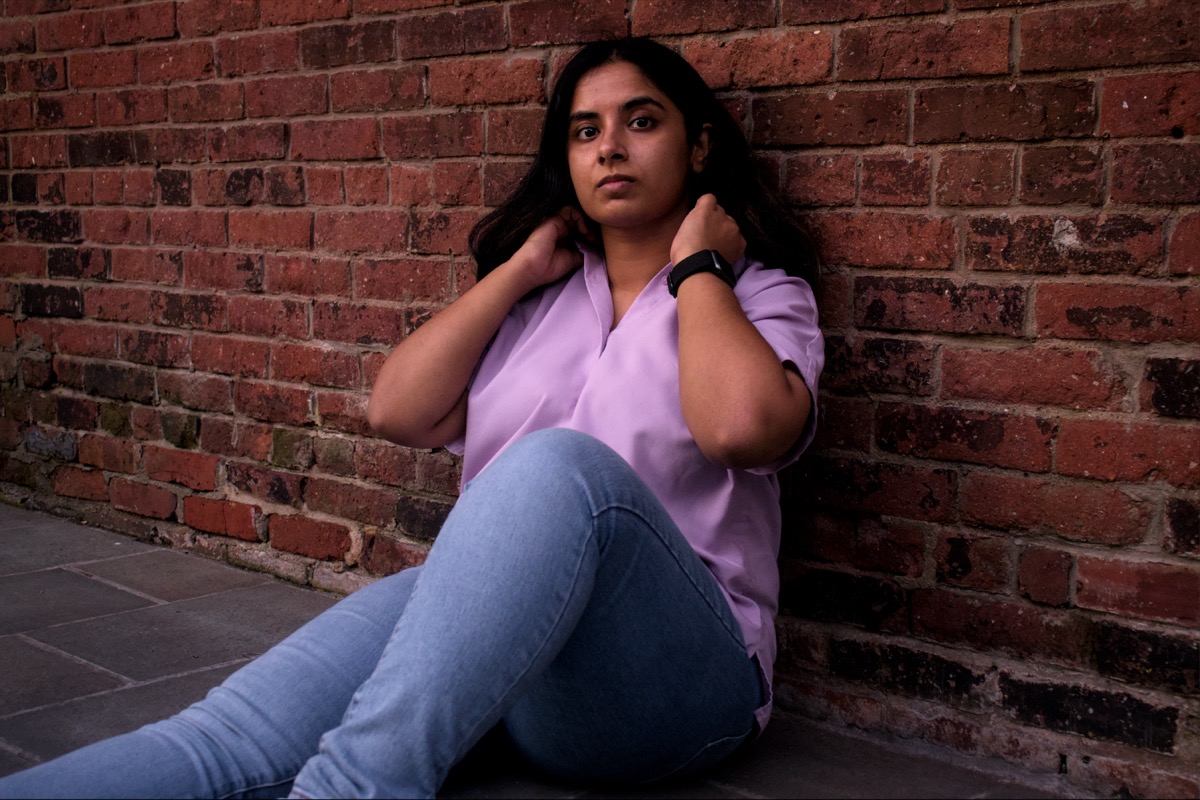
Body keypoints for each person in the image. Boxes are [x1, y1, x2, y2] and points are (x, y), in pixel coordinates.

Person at [0, 36, 823, 799]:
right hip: (508, 648)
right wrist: (518, 270)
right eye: (583, 131)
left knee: (553, 466)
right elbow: (395, 410)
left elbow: (743, 429)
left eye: (641, 122)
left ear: (699, 144)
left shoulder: (755, 298)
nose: (609, 147)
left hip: (675, 679)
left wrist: (700, 267)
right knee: (222, 741)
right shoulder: (537, 306)